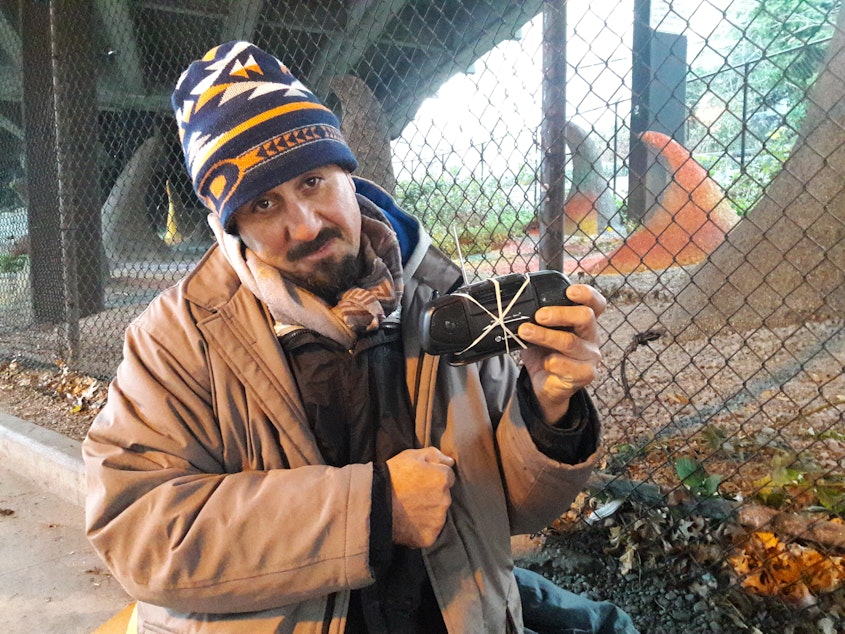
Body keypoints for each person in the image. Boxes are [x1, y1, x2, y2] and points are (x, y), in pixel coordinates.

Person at [83, 41, 636, 633]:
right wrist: (374, 511)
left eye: (314, 181)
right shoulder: (175, 339)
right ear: (232, 227)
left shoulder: (444, 299)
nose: (307, 224)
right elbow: (140, 533)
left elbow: (518, 508)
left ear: (349, 174)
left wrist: (548, 411)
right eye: (265, 203)